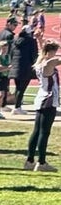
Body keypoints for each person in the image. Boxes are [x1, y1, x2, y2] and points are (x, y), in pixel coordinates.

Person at [24, 40, 60, 172]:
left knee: (37, 130)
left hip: (42, 98)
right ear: (50, 52)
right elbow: (55, 60)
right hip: (49, 99)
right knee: (45, 132)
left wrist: (40, 41)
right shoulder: (49, 63)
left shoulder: (40, 62)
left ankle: (30, 160)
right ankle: (42, 162)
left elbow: (44, 53)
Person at [9, 24, 39, 115]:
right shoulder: (31, 41)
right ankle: (17, 107)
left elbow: (11, 54)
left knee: (18, 88)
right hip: (26, 68)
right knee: (21, 89)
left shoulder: (15, 40)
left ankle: (17, 106)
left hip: (15, 68)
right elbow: (34, 55)